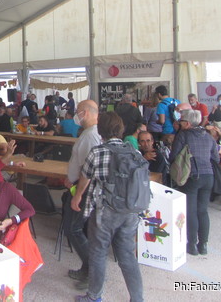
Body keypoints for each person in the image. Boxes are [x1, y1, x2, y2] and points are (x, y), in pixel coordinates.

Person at [71, 112, 144, 302]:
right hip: (130, 210)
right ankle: (137, 298)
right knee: (127, 255)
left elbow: (84, 177)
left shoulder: (97, 152)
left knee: (98, 253)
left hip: (105, 211)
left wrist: (77, 196)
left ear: (101, 130)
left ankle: (94, 296)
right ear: (121, 129)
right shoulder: (134, 152)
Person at [170, 109, 219, 256]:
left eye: (181, 121)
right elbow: (216, 158)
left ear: (188, 123)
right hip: (208, 176)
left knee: (191, 211)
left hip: (192, 176)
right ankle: (203, 245)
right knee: (202, 211)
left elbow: (173, 156)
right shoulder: (208, 137)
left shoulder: (183, 135)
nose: (179, 124)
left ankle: (191, 245)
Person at [63, 100, 101, 289]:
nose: (76, 115)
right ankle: (86, 268)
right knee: (74, 228)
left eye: (78, 112)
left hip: (82, 190)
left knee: (74, 229)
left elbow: (89, 170)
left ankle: (93, 271)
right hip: (77, 186)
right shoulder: (88, 133)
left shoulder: (90, 136)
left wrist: (77, 190)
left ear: (85, 113)